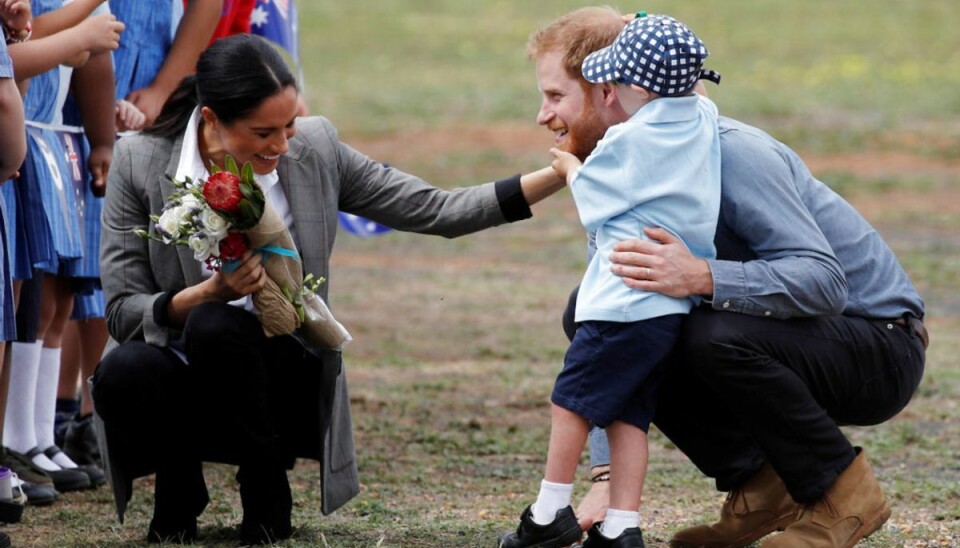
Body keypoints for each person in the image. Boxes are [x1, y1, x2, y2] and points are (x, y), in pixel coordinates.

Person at [91, 33, 564, 545]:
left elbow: (436, 209)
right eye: (264, 132)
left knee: (219, 329)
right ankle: (179, 492)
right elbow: (121, 310)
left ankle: (266, 493)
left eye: (290, 125)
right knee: (126, 365)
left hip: (282, 374)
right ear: (211, 120)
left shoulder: (314, 148)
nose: (282, 146)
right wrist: (205, 293)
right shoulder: (139, 160)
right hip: (183, 372)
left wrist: (562, 172)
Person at [531, 8, 926, 548]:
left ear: (608, 92)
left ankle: (844, 497)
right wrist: (602, 481)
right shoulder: (623, 168)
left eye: (555, 97)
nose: (542, 116)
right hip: (791, 333)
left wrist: (701, 276)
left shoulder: (730, 150)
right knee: (602, 312)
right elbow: (610, 330)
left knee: (705, 333)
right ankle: (763, 487)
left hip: (878, 344)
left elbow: (825, 282)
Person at [500, 13, 721, 548]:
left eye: (615, 83)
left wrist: (570, 171)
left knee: (570, 403)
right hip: (666, 311)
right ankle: (623, 525)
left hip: (619, 303)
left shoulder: (628, 140)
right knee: (629, 418)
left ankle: (548, 510)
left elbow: (595, 205)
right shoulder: (704, 116)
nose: (609, 93)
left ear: (637, 89)